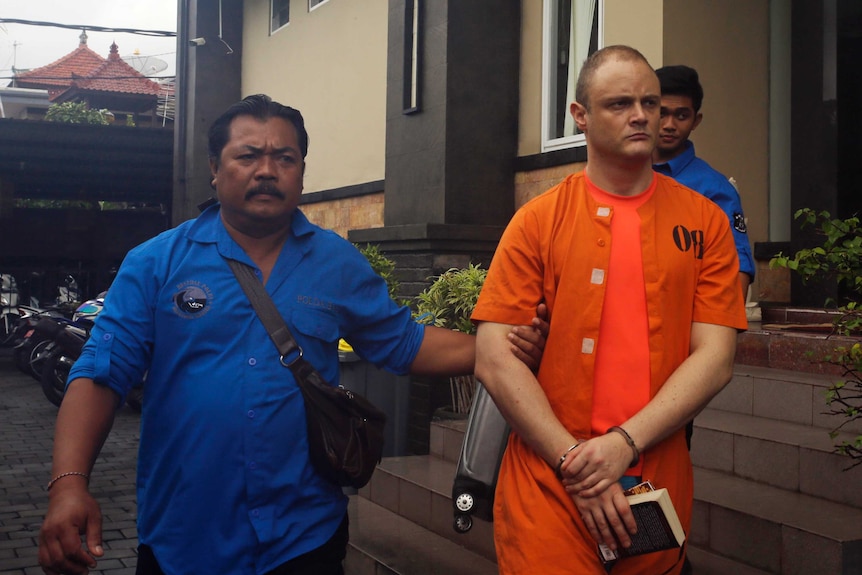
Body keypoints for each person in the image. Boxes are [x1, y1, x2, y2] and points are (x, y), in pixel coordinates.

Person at [37, 94, 547, 575]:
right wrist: (68, 485)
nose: (266, 170)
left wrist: (499, 348)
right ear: (215, 170)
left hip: (305, 536)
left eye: (285, 157)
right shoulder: (156, 263)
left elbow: (403, 343)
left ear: (302, 172)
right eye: (248, 156)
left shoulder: (336, 262)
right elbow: (101, 375)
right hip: (186, 536)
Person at [472, 45, 748, 575]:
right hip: (548, 478)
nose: (643, 115)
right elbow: (494, 358)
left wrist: (623, 444)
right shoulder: (537, 221)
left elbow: (716, 358)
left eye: (650, 101)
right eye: (620, 103)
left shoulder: (706, 221)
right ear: (580, 115)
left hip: (653, 477)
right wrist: (578, 465)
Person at [652, 64, 755, 301]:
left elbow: (737, 270)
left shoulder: (714, 189)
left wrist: (717, 336)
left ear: (696, 120)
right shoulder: (623, 177)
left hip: (687, 326)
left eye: (681, 115)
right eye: (661, 112)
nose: (669, 124)